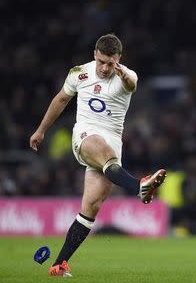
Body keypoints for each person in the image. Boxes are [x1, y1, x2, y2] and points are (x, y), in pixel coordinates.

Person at [29, 34, 166, 277]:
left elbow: (132, 83)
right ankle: (139, 186)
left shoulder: (127, 76)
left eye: (110, 63)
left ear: (118, 60)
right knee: (100, 147)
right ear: (95, 54)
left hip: (112, 144)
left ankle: (59, 264)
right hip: (85, 135)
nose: (105, 68)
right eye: (101, 61)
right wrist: (41, 130)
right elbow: (61, 99)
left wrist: (123, 74)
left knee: (90, 207)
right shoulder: (79, 73)